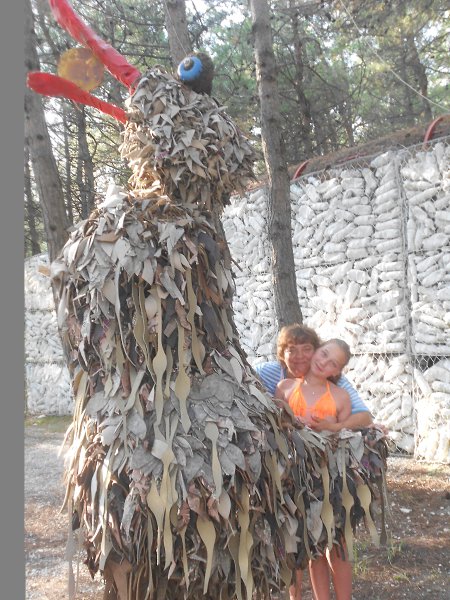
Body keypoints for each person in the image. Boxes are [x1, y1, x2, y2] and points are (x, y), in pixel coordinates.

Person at [275, 338, 354, 600]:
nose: (324, 362)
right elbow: (273, 426)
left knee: (336, 543)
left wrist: (332, 427)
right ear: (317, 350)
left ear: (337, 371)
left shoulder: (340, 397)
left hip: (329, 480)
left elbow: (347, 439)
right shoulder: (285, 388)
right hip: (293, 479)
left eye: (333, 363)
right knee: (302, 544)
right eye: (324, 354)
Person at [254, 323, 373, 432]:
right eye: (291, 350)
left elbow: (364, 418)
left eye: (306, 349)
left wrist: (333, 427)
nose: (299, 356)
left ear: (315, 350)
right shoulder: (275, 380)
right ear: (282, 354)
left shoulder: (340, 388)